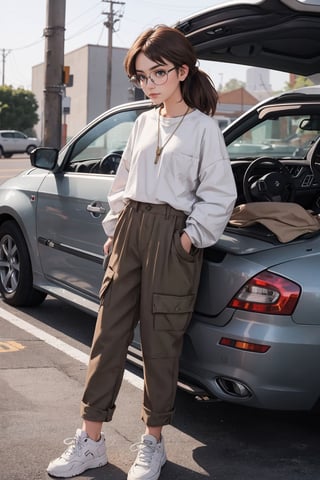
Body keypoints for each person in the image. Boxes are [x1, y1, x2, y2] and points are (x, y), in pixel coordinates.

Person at [47, 25, 237, 480]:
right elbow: (122, 184)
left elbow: (219, 195)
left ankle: (152, 443)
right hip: (130, 230)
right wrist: (115, 230)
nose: (149, 84)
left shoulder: (204, 129)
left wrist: (189, 238)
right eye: (141, 76)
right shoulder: (142, 122)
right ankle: (90, 441)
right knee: (107, 337)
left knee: (160, 344)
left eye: (158, 73)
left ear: (182, 71)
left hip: (173, 238)